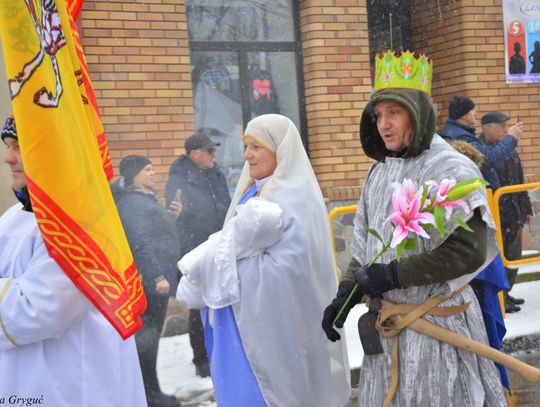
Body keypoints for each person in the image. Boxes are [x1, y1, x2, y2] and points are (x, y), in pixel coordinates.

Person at [322, 51, 506, 406]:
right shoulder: (378, 173)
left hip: (439, 332)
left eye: (395, 113)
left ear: (417, 114)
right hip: (389, 332)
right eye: (379, 115)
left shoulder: (450, 166)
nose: (384, 124)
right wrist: (344, 296)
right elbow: (363, 248)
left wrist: (392, 274)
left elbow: (469, 250)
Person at [176, 114, 350, 406]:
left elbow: (291, 270)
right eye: (246, 146)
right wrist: (219, 259)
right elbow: (231, 242)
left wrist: (219, 266)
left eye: (256, 147)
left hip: (272, 330)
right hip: (235, 322)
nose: (247, 155)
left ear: (278, 149)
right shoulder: (251, 192)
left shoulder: (296, 198)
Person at [0, 116, 146, 406]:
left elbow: (35, 311)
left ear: (52, 151)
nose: (8, 157)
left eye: (18, 146)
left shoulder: (79, 223)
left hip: (68, 386)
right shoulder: (13, 216)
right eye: (7, 146)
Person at [111, 155, 182, 407]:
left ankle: (151, 391)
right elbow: (139, 242)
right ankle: (149, 395)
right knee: (147, 338)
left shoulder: (141, 198)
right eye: (148, 169)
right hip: (149, 282)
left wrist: (170, 217)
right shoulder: (132, 203)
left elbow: (153, 234)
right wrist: (157, 276)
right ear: (134, 175)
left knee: (149, 337)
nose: (153, 173)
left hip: (153, 278)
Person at [165, 130, 231, 378]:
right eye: (209, 151)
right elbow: (175, 215)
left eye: (215, 150)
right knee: (198, 305)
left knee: (223, 300)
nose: (214, 155)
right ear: (194, 154)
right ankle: (202, 360)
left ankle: (222, 352)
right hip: (194, 249)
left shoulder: (216, 174)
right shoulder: (179, 178)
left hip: (218, 245)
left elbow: (223, 205)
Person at [480, 112, 532, 314]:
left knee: (514, 256)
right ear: (487, 127)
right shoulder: (483, 151)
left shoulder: (509, 149)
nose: (505, 130)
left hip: (514, 213)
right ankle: (498, 297)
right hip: (496, 215)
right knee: (498, 258)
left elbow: (519, 182)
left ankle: (507, 292)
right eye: (501, 126)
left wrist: (526, 209)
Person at [441, 95, 519, 190]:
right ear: (464, 115)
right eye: (472, 110)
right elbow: (488, 158)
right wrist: (511, 138)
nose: (476, 114)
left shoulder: (457, 132)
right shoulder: (461, 137)